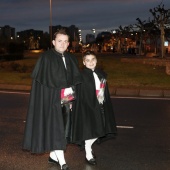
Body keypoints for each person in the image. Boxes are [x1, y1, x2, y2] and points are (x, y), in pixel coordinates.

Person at [22, 28, 82, 170]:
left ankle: (53, 156)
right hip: (50, 101)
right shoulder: (46, 57)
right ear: (54, 42)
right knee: (56, 129)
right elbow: (42, 84)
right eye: (59, 41)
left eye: (65, 41)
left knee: (65, 129)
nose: (62, 44)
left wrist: (72, 99)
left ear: (69, 44)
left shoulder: (71, 58)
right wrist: (48, 101)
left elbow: (73, 81)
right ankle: (62, 162)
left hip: (67, 101)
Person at [72, 50, 117, 165]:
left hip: (100, 105)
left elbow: (103, 90)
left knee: (100, 129)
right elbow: (78, 92)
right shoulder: (81, 76)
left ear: (96, 61)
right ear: (84, 62)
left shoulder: (101, 74)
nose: (90, 62)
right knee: (92, 130)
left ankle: (88, 147)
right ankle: (88, 152)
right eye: (87, 60)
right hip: (87, 107)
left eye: (93, 60)